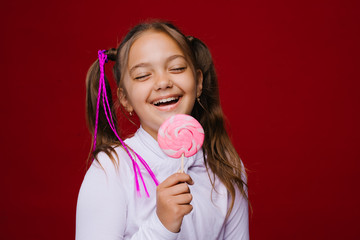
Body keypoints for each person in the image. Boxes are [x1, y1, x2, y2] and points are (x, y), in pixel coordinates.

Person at [76, 21, 249, 240]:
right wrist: (162, 224)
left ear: (198, 82)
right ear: (125, 99)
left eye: (176, 68)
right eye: (142, 75)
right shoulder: (112, 171)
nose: (163, 82)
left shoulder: (226, 166)